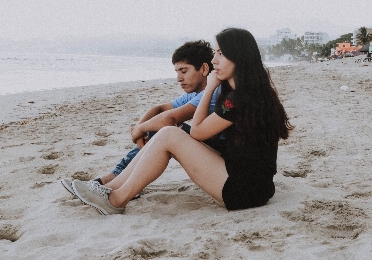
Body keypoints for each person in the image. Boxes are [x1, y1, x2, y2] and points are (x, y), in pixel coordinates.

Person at [69, 28, 292, 215]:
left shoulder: (239, 98)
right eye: (215, 53)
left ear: (238, 56)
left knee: (170, 133)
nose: (214, 60)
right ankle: (110, 188)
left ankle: (116, 199)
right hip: (252, 182)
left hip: (243, 190)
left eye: (221, 54)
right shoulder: (249, 92)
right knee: (172, 131)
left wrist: (211, 87)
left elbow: (197, 131)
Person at [62, 41, 216, 195]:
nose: (178, 78)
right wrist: (140, 127)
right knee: (158, 127)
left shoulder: (212, 93)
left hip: (217, 159)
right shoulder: (195, 93)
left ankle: (114, 179)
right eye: (177, 71)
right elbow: (159, 109)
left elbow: (170, 118)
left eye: (184, 71)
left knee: (165, 128)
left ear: (204, 68)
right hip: (208, 149)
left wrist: (141, 129)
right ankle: (118, 179)